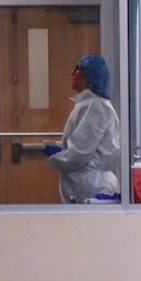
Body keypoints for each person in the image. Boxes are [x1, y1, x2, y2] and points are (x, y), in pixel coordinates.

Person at [45, 53, 121, 203]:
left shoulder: (97, 107)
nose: (72, 73)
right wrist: (61, 147)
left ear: (89, 74)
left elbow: (78, 154)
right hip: (85, 185)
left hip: (93, 186)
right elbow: (82, 144)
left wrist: (57, 156)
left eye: (77, 68)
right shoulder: (87, 104)